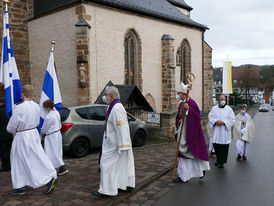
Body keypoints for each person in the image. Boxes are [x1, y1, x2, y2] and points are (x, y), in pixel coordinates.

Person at [7, 84, 57, 195]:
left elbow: (11, 126)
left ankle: (47, 178)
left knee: (19, 160)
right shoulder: (36, 106)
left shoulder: (19, 107)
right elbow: (38, 121)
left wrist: (12, 131)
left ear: (22, 93)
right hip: (33, 134)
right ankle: (20, 185)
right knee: (36, 156)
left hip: (22, 136)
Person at [92, 86, 135, 198]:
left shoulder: (116, 108)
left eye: (106, 95)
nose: (104, 97)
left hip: (115, 144)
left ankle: (106, 190)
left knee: (106, 164)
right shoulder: (114, 106)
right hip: (113, 142)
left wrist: (123, 145)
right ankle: (121, 185)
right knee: (118, 166)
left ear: (111, 96)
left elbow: (122, 127)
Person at [174, 82, 210, 183]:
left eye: (179, 93)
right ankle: (182, 175)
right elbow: (178, 117)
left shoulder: (192, 103)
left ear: (184, 94)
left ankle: (199, 170)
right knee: (181, 152)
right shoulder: (181, 104)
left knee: (191, 152)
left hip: (190, 132)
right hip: (182, 131)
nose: (178, 94)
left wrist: (189, 110)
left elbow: (197, 116)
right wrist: (179, 120)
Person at [41, 99, 68, 176]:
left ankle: (59, 167)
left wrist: (40, 131)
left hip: (51, 136)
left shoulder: (48, 116)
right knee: (57, 152)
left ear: (47, 107)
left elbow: (45, 129)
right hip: (57, 134)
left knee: (51, 153)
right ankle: (60, 167)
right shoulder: (56, 112)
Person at [208, 95, 235, 168]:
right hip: (216, 131)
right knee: (216, 146)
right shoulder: (214, 108)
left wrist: (224, 123)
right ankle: (218, 160)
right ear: (218, 100)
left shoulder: (229, 109)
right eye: (221, 100)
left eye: (224, 99)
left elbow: (232, 120)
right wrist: (215, 121)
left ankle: (221, 162)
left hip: (224, 132)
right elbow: (210, 117)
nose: (223, 101)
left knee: (223, 148)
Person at [0, 98, 13, 172]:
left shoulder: (1, 110)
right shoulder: (10, 110)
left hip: (2, 135)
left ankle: (6, 166)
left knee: (3, 151)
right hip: (9, 134)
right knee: (8, 150)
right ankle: (9, 164)